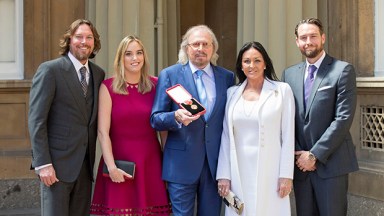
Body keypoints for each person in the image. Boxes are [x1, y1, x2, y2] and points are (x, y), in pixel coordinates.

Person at [151, 25, 235, 215]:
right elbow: (155, 119)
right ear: (186, 48)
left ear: (213, 48)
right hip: (180, 165)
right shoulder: (170, 75)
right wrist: (176, 116)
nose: (200, 48)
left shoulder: (227, 77)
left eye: (205, 44)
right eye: (195, 44)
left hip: (214, 166)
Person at [281, 18, 359, 216]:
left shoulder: (342, 70)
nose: (309, 42)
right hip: (301, 168)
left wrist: (314, 155)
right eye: (303, 37)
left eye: (313, 36)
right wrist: (300, 155)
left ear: (322, 38)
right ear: (297, 41)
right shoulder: (289, 75)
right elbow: (287, 118)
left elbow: (343, 119)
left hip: (331, 164)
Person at [28, 19, 105, 216]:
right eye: (79, 37)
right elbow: (37, 121)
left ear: (94, 43)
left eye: (89, 37)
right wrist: (42, 164)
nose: (84, 42)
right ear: (69, 40)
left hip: (85, 168)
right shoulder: (50, 70)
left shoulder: (98, 74)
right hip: (55, 168)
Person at [90, 35, 172, 215]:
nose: (135, 58)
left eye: (139, 53)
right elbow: (103, 132)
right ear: (121, 58)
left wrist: (168, 168)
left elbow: (164, 132)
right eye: (129, 54)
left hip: (151, 163)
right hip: (119, 164)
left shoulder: (157, 85)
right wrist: (111, 167)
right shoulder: (108, 87)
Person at [216, 41, 295, 215]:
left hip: (271, 169)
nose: (252, 65)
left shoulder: (282, 91)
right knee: (241, 211)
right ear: (241, 66)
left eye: (257, 60)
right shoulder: (231, 93)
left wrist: (286, 175)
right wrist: (224, 174)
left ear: (265, 63)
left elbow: (289, 136)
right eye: (247, 61)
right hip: (239, 168)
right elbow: (226, 137)